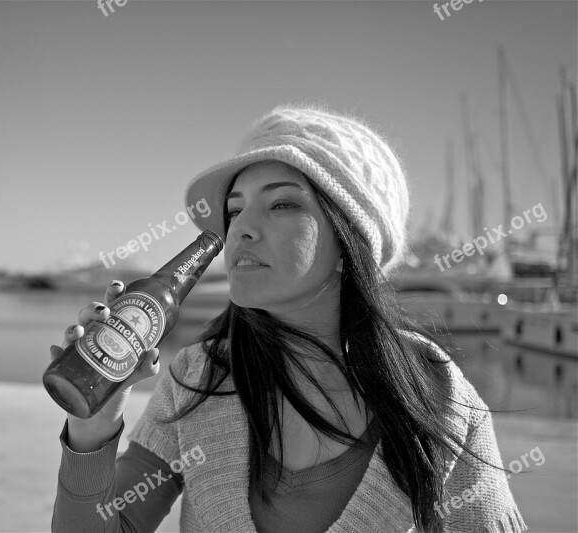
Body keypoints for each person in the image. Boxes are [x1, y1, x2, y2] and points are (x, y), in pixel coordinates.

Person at [49, 104, 527, 532]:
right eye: (234, 212)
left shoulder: (438, 397)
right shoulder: (198, 377)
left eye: (282, 204)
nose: (241, 231)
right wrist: (93, 426)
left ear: (349, 243)